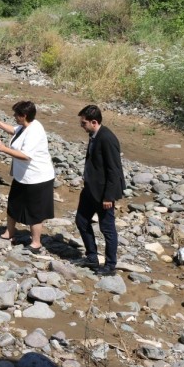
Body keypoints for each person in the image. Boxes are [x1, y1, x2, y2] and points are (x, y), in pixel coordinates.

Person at [0, 101, 55, 253]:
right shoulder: (26, 126)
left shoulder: (34, 130)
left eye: (16, 114)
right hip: (22, 177)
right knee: (13, 204)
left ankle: (36, 242)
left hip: (37, 178)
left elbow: (26, 155)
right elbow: (14, 130)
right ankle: (10, 232)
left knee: (34, 211)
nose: (14, 117)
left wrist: (3, 148)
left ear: (24, 116)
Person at [75, 105, 126, 276]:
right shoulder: (94, 135)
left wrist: (109, 196)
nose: (82, 126)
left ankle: (110, 265)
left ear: (94, 122)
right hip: (91, 188)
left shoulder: (107, 138)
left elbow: (114, 170)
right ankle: (92, 257)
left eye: (84, 123)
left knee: (107, 229)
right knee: (81, 221)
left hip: (103, 193)